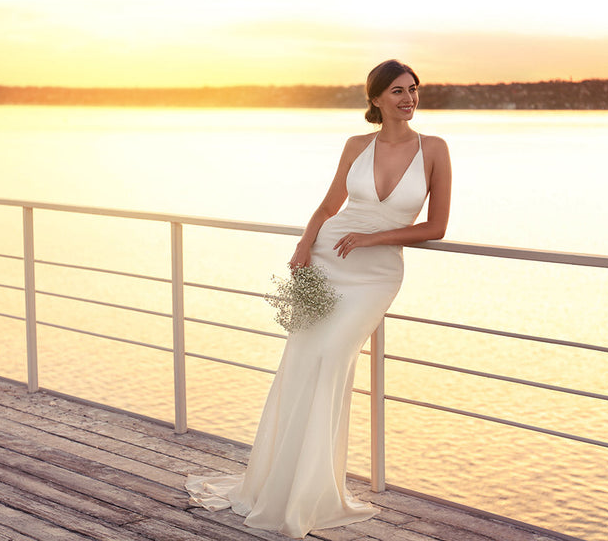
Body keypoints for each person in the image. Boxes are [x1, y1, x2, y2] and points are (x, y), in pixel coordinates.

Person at [185, 59, 452, 538]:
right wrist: (305, 242)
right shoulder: (356, 145)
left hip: (376, 273)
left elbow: (437, 226)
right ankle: (280, 484)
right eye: (397, 91)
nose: (409, 98)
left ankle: (313, 489)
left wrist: (375, 239)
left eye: (413, 89)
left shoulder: (433, 149)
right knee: (304, 358)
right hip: (329, 257)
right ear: (375, 99)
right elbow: (331, 206)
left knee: (331, 357)